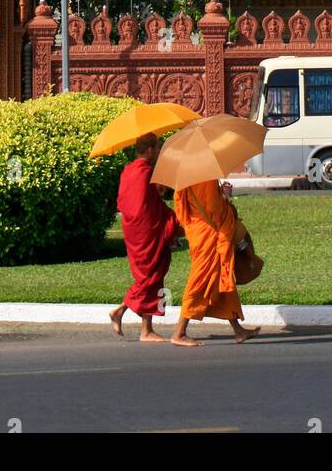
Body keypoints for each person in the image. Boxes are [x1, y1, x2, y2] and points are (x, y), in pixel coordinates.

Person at [109, 135, 182, 343]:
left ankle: (146, 330)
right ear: (149, 150)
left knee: (154, 278)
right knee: (147, 279)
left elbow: (132, 202)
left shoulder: (128, 171)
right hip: (147, 232)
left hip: (135, 232)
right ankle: (121, 310)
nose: (158, 152)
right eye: (157, 148)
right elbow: (153, 200)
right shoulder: (145, 173)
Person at [171, 179, 260, 347]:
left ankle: (238, 331)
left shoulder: (182, 181)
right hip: (209, 236)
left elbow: (182, 209)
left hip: (198, 232)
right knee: (199, 283)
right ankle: (179, 332)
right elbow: (215, 209)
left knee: (223, 281)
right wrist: (225, 197)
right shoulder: (205, 179)